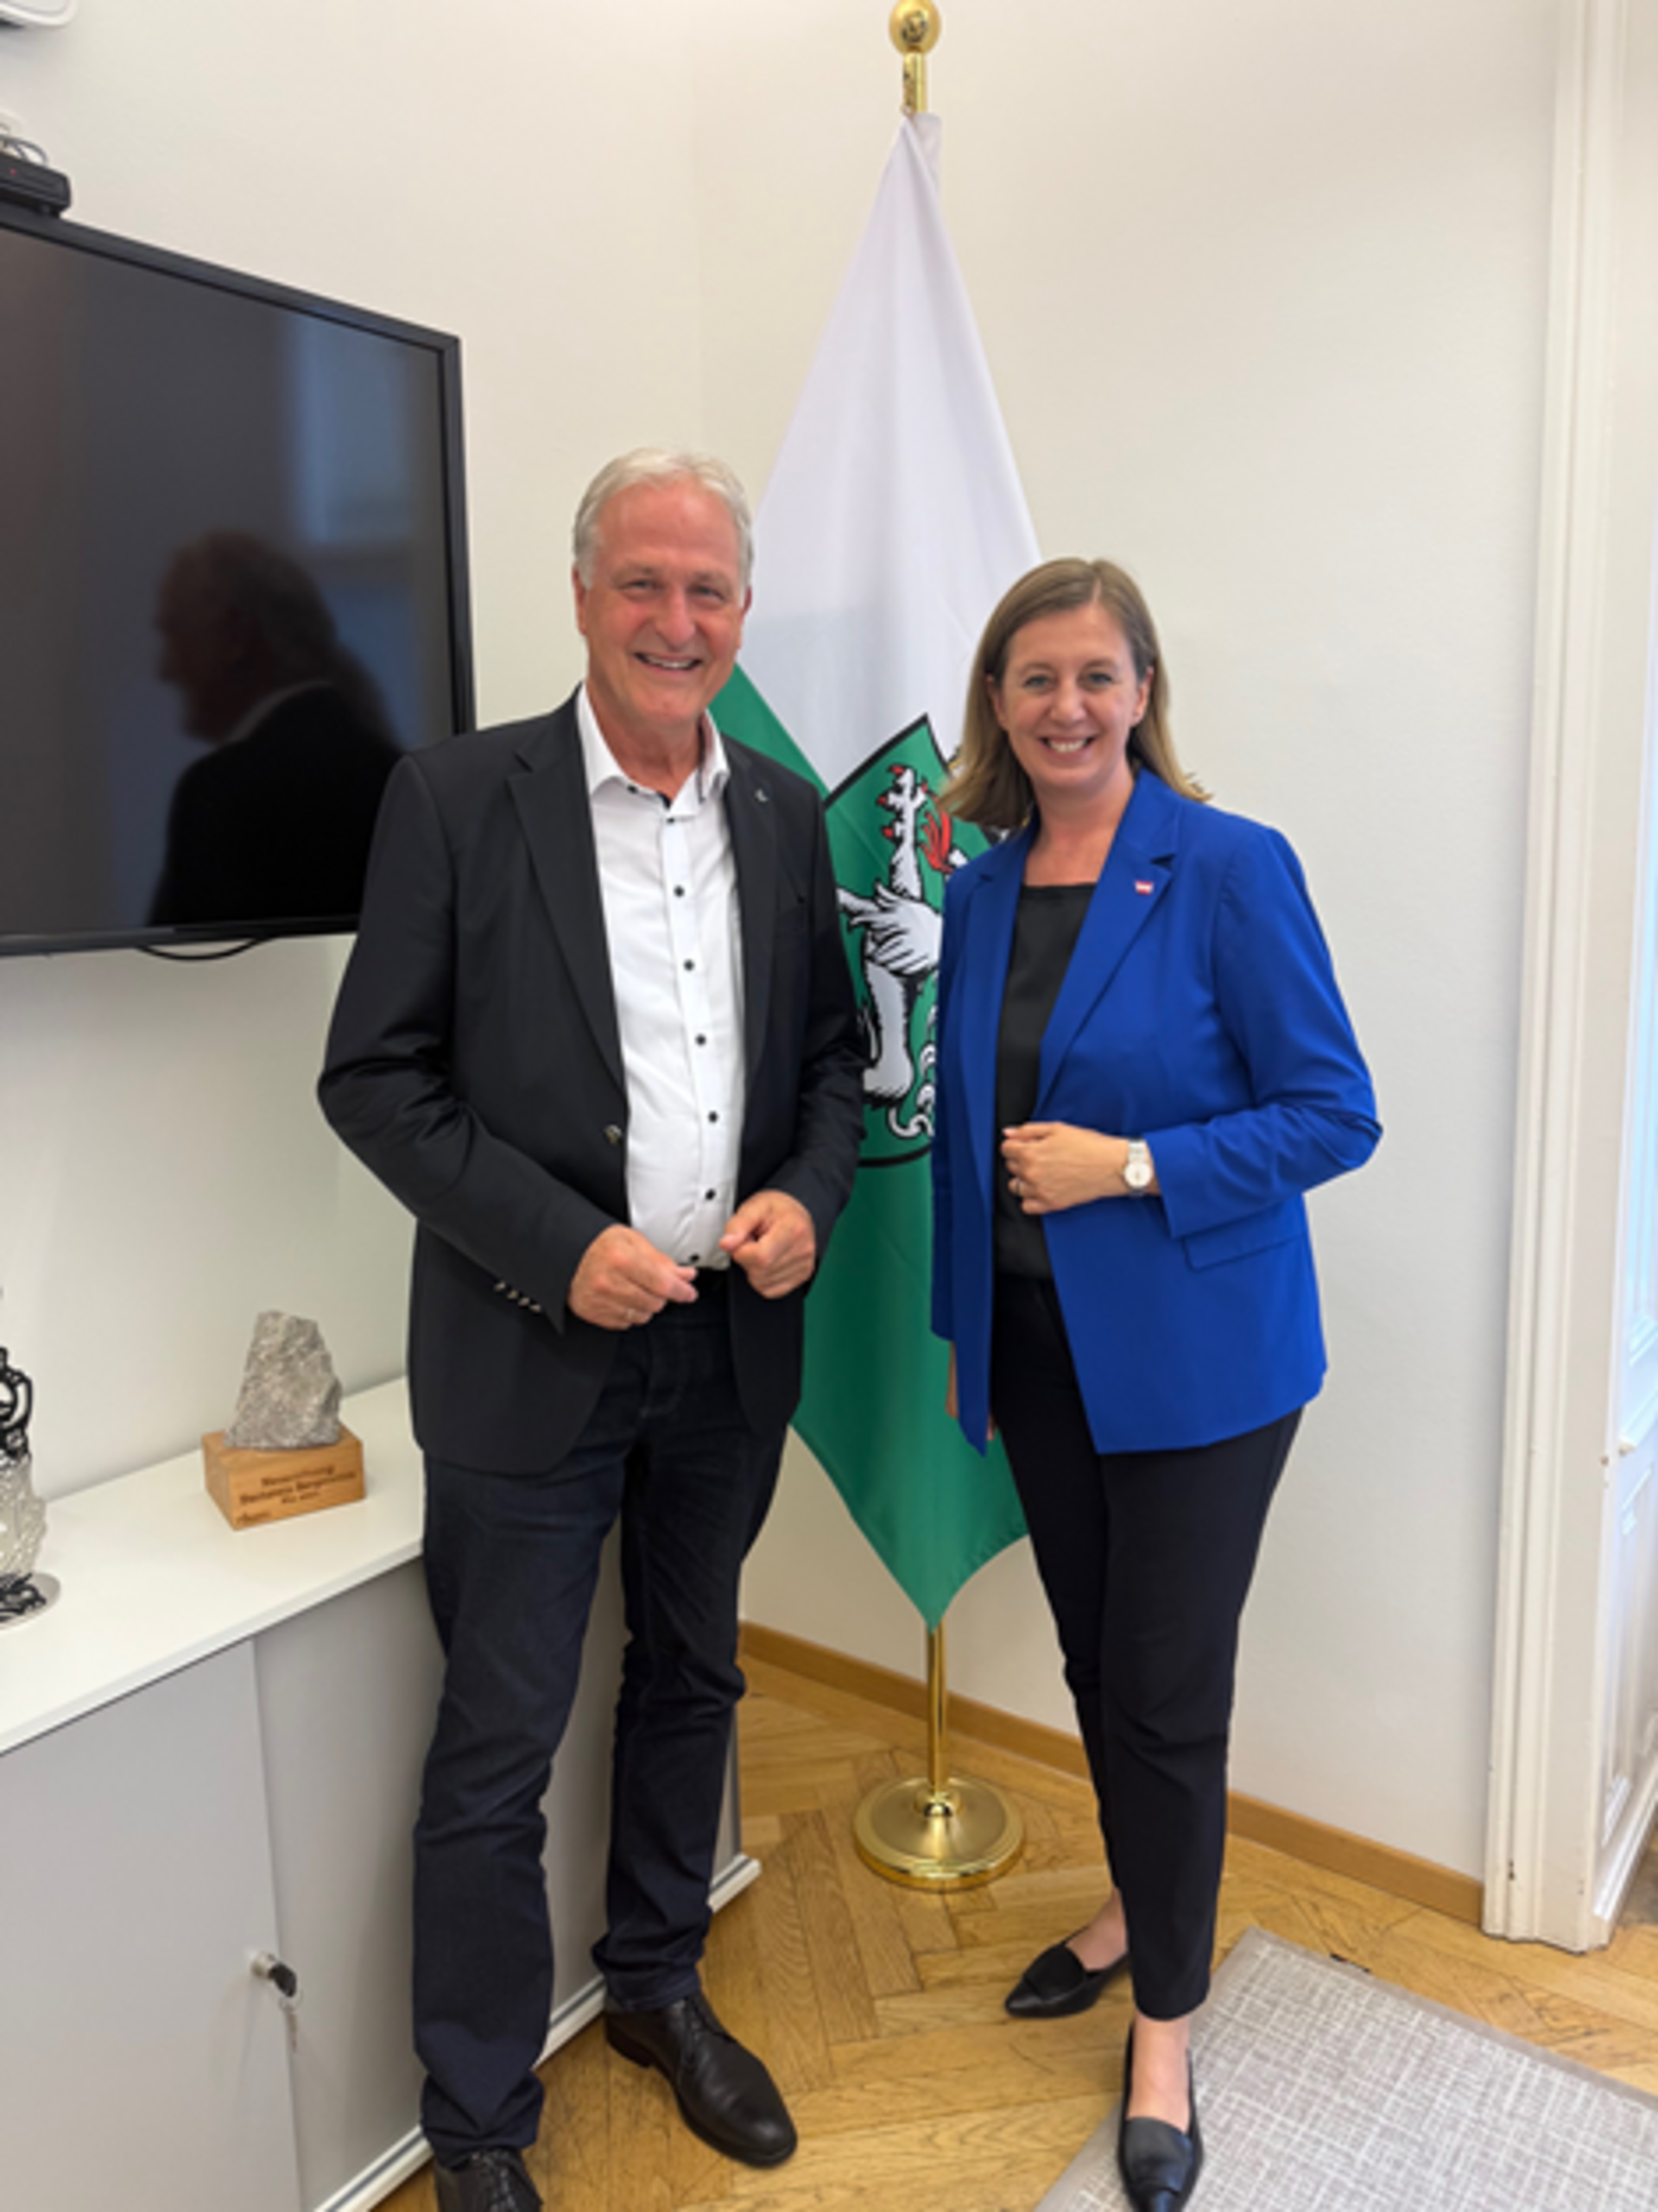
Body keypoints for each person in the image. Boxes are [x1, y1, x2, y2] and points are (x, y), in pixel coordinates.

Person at [319, 450, 864, 2212]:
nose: (675, 619)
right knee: (498, 1742)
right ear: (579, 595)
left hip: (728, 1351)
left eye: (708, 589)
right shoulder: (453, 798)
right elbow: (374, 1079)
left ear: (742, 612)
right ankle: (479, 2125)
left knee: (694, 1678)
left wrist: (807, 1195)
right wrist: (563, 1250)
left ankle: (654, 1986)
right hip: (525, 1351)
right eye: (644, 581)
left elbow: (833, 1064)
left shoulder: (783, 810)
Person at [930, 559, 1378, 2212]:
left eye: (1096, 676)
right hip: (1040, 1351)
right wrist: (962, 1326)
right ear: (997, 701)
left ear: (1142, 693)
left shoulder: (1229, 866)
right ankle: (1139, 1900)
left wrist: (1128, 1162)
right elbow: (964, 1139)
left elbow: (1334, 1112)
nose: (1067, 706)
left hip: (1201, 1366)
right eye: (1035, 677)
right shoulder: (979, 890)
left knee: (1168, 1691)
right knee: (1097, 1661)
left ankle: (1168, 2031)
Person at [149, 532, 401, 927]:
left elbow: (178, 964)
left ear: (234, 635)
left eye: (175, 633)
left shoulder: (219, 793)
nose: (164, 670)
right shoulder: (397, 776)